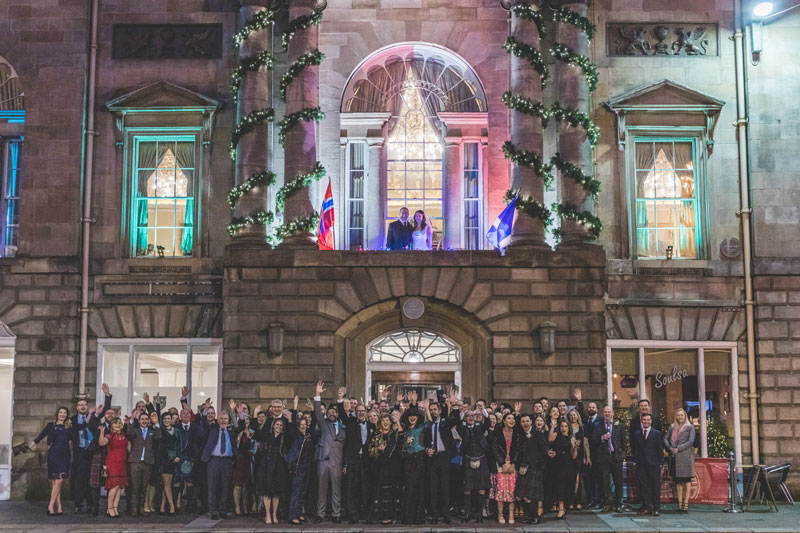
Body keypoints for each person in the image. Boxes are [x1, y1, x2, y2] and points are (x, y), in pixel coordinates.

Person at [337, 387, 374, 524]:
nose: (360, 413)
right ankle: (353, 515)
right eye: (358, 412)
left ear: (366, 413)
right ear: (355, 413)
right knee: (352, 489)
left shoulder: (371, 425)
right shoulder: (351, 423)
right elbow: (341, 414)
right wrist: (340, 398)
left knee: (365, 488)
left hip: (366, 461)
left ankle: (365, 514)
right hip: (353, 461)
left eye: (363, 411)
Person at [200, 408, 245, 520]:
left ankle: (223, 510)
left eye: (225, 419)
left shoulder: (231, 430)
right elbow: (204, 423)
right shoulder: (213, 428)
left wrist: (240, 414)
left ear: (228, 420)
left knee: (225, 487)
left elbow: (241, 426)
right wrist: (205, 411)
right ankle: (213, 511)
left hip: (227, 461)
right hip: (213, 461)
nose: (223, 421)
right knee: (212, 487)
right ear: (217, 420)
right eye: (221, 418)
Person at [312, 381, 346, 523]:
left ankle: (336, 514)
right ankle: (320, 514)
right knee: (322, 488)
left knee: (336, 489)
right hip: (323, 460)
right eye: (329, 412)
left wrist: (341, 399)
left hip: (337, 461)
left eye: (334, 412)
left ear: (338, 414)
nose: (332, 413)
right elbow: (317, 412)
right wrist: (318, 394)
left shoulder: (344, 426)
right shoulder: (324, 424)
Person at [30, 406, 72, 516]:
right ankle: (56, 507)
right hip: (54, 455)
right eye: (61, 412)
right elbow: (41, 436)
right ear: (57, 413)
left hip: (65, 455)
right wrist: (32, 445)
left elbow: (75, 438)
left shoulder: (69, 427)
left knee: (59, 481)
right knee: (56, 482)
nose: (62, 414)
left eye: (65, 413)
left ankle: (53, 506)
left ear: (67, 415)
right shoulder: (50, 426)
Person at [423, 397, 457, 524]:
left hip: (444, 457)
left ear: (439, 410)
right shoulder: (428, 426)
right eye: (431, 410)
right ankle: (435, 515)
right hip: (432, 458)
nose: (433, 412)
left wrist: (453, 405)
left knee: (445, 487)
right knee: (433, 488)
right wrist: (427, 450)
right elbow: (424, 442)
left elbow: (455, 418)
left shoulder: (445, 422)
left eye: (435, 409)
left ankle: (446, 514)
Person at [456, 407, 491, 523]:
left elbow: (488, 422)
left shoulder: (479, 427)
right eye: (468, 416)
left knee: (481, 488)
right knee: (467, 488)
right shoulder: (462, 428)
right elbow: (458, 423)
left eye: (472, 416)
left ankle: (480, 514)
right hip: (467, 459)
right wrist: (461, 413)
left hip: (482, 459)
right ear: (465, 418)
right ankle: (467, 513)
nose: (470, 418)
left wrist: (483, 412)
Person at [253, 412, 290, 524]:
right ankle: (267, 514)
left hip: (278, 465)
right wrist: (258, 416)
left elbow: (292, 434)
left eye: (280, 425)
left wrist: (289, 418)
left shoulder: (284, 438)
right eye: (277, 425)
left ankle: (274, 514)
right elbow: (257, 434)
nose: (278, 427)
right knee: (266, 490)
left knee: (276, 492)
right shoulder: (267, 435)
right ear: (273, 425)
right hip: (266, 464)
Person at [367, 412, 402, 525]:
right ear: (380, 423)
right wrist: (378, 448)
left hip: (393, 467)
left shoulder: (394, 434)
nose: (385, 422)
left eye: (387, 420)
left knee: (392, 493)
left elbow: (400, 446)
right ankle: (382, 517)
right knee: (382, 493)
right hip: (380, 467)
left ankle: (393, 516)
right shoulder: (376, 435)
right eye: (383, 421)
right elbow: (370, 451)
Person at [126, 411, 161, 517]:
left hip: (148, 462)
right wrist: (131, 420)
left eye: (146, 419)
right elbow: (129, 434)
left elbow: (159, 437)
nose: (144, 421)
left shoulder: (152, 431)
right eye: (142, 419)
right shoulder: (135, 431)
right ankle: (134, 509)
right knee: (135, 487)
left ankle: (141, 508)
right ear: (139, 420)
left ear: (149, 420)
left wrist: (157, 423)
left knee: (144, 486)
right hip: (135, 461)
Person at [590, 406, 625, 513]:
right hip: (603, 458)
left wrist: (622, 455)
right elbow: (593, 441)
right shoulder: (597, 426)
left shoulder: (619, 426)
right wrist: (602, 438)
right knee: (604, 482)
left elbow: (624, 442)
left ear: (613, 413)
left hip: (616, 458)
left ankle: (618, 504)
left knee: (618, 481)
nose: (607, 414)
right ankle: (607, 503)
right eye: (605, 412)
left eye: (609, 412)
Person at [515, 414, 547, 524]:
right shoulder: (521, 435)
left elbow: (544, 450)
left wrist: (540, 465)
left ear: (531, 422)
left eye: (527, 421)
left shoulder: (538, 434)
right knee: (520, 496)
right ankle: (530, 515)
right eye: (523, 421)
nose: (525, 423)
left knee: (528, 496)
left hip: (534, 468)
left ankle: (536, 517)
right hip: (523, 467)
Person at [399, 391, 426, 525]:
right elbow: (401, 451)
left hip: (420, 459)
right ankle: (408, 518)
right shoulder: (404, 431)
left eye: (414, 416)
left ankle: (419, 518)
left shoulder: (422, 427)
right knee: (409, 489)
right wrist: (405, 442)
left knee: (419, 489)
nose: (412, 418)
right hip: (408, 461)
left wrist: (414, 403)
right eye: (410, 416)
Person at [287, 412, 317, 524]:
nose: (303, 426)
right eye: (301, 424)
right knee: (296, 492)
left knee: (303, 492)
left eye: (305, 424)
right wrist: (292, 415)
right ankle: (292, 515)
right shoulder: (296, 435)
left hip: (307, 466)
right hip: (298, 467)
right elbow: (290, 430)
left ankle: (299, 513)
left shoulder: (308, 436)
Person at [632, 413, 664, 516]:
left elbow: (660, 449)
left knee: (655, 487)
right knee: (644, 486)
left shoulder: (657, 433)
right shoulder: (637, 434)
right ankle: (646, 507)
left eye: (648, 420)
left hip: (654, 464)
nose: (646, 421)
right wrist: (637, 461)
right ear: (641, 421)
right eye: (644, 420)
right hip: (641, 465)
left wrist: (660, 463)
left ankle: (656, 508)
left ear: (651, 421)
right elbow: (635, 449)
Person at [665, 408, 695, 513]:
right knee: (677, 481)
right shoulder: (672, 427)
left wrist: (679, 448)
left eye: (681, 415)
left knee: (686, 481)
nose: (679, 417)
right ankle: (679, 504)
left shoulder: (690, 427)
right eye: (678, 415)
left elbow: (691, 441)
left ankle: (685, 505)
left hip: (686, 457)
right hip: (674, 457)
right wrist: (670, 448)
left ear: (685, 416)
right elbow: (665, 439)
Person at [491, 412, 518, 524]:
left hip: (512, 465)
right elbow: (494, 449)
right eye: (509, 418)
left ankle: (511, 514)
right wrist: (502, 463)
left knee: (512, 490)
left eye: (513, 418)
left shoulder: (517, 434)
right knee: (501, 490)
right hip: (501, 464)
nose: (511, 420)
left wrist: (513, 463)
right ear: (504, 421)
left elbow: (518, 450)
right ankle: (500, 515)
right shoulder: (498, 433)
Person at [98, 417, 128, 518]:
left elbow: (129, 449)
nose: (118, 425)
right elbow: (101, 443)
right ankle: (109, 508)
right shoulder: (109, 435)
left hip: (122, 463)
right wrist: (102, 432)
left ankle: (115, 508)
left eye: (120, 423)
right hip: (112, 463)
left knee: (119, 487)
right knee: (114, 486)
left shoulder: (124, 436)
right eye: (115, 423)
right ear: (112, 426)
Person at [549, 420, 579, 519]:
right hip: (557, 464)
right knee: (559, 486)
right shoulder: (556, 436)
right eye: (562, 426)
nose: (563, 428)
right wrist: (553, 427)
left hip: (568, 464)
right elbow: (549, 439)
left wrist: (575, 448)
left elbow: (574, 456)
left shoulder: (571, 439)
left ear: (568, 428)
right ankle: (561, 508)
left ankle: (564, 507)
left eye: (565, 426)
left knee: (567, 486)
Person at [155, 409, 182, 515]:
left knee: (168, 484)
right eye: (165, 419)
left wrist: (178, 456)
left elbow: (180, 445)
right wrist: (156, 405)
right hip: (164, 460)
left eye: (168, 419)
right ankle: (172, 507)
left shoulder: (177, 431)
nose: (166, 420)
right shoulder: (161, 430)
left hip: (174, 460)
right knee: (167, 484)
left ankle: (162, 507)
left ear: (172, 420)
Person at [566, 409, 590, 510]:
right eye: (571, 415)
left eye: (574, 415)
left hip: (579, 456)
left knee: (578, 479)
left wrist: (588, 457)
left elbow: (585, 444)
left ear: (577, 416)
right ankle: (570, 501)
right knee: (569, 479)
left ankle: (578, 501)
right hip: (568, 455)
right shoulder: (566, 426)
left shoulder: (582, 428)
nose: (573, 417)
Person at [232, 414, 254, 516]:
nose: (246, 421)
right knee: (238, 485)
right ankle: (237, 507)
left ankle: (245, 507)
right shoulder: (238, 432)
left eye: (247, 420)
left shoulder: (252, 432)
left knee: (246, 485)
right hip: (239, 460)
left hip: (248, 460)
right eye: (244, 420)